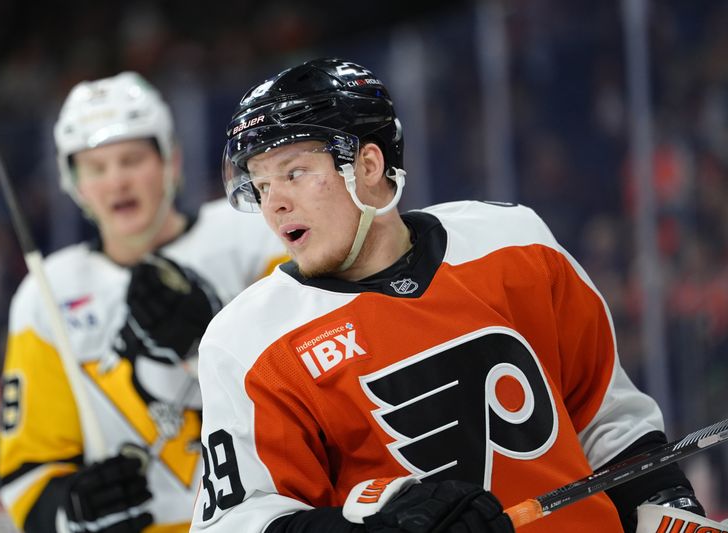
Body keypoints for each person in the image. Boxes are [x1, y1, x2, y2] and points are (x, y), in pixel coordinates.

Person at [189, 58, 708, 532]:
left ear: (367, 166)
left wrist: (665, 497)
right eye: (259, 186)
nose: (273, 204)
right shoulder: (250, 343)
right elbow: (238, 521)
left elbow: (605, 416)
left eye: (294, 173)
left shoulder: (512, 242)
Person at [0, 71, 286, 533]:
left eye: (132, 159)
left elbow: (323, 385)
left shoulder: (256, 237)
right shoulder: (48, 293)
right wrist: (77, 509)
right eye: (95, 167)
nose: (116, 181)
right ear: (73, 182)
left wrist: (209, 343)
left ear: (171, 161)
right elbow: (27, 474)